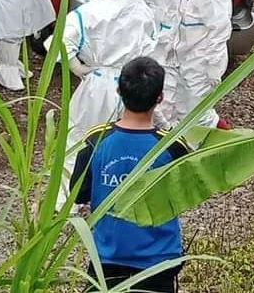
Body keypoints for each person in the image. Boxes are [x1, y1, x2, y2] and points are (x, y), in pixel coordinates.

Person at [49, 0, 158, 210]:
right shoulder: (143, 11)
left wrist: (77, 66)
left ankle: (66, 199)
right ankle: (116, 196)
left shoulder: (90, 11)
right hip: (131, 83)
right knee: (123, 139)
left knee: (77, 137)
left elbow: (59, 44)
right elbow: (153, 46)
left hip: (97, 83)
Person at [71, 57, 189, 293]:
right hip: (160, 259)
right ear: (160, 98)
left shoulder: (97, 142)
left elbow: (79, 192)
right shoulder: (172, 146)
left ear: (118, 90)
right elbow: (186, 193)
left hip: (108, 257)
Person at [171, 0, 233, 129]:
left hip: (202, 62)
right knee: (182, 108)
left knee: (199, 113)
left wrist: (213, 66)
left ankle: (212, 145)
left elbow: (220, 31)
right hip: (187, 59)